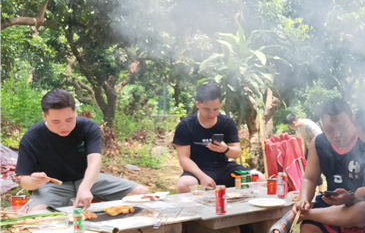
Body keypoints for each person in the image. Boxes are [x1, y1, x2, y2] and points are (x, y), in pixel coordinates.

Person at [16, 90, 149, 211]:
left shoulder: (88, 127)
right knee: (38, 213)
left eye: (69, 119)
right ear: (44, 116)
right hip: (52, 186)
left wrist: (85, 187)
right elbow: (24, 181)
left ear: (75, 113)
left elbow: (94, 161)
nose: (64, 126)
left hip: (89, 179)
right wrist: (33, 182)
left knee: (143, 193)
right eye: (56, 121)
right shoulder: (31, 137)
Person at [292, 99, 365, 233]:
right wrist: (304, 199)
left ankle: (307, 214)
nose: (337, 135)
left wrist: (351, 197)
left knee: (363, 209)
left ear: (352, 119)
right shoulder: (318, 143)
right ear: (321, 125)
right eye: (330, 129)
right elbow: (310, 178)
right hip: (331, 206)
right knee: (308, 228)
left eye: (342, 127)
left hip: (362, 204)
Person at [173, 83, 243, 193]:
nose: (212, 113)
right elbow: (184, 159)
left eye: (216, 109)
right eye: (207, 109)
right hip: (196, 169)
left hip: (224, 167)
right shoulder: (185, 125)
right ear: (197, 104)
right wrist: (202, 177)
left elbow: (237, 153)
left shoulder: (227, 123)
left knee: (258, 178)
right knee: (184, 185)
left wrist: (226, 149)